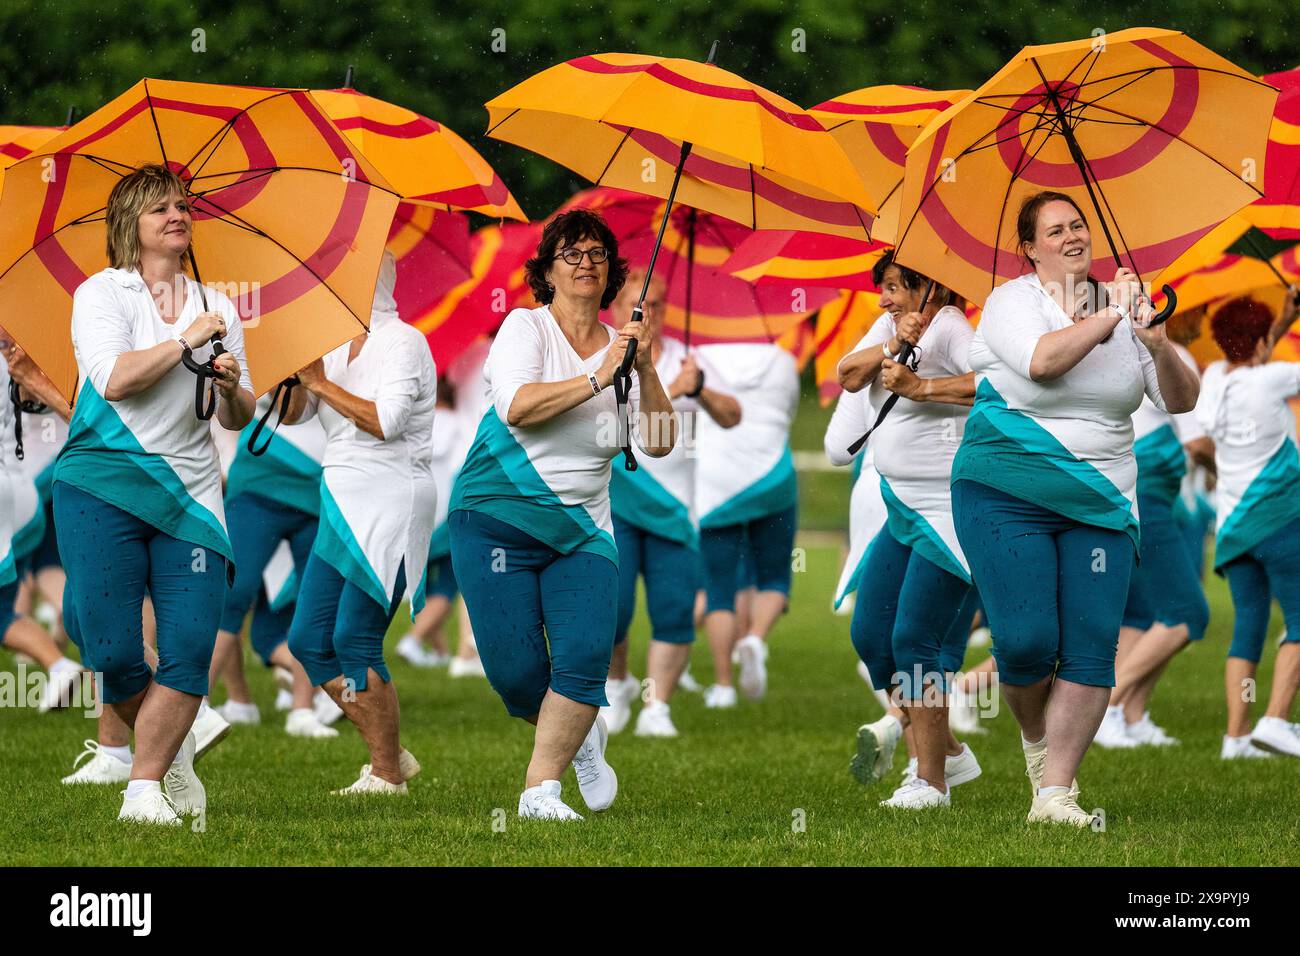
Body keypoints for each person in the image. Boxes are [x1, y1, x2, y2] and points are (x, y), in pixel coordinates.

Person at [950, 191, 1199, 828]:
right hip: (1006, 491)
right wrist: (1111, 313)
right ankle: (1038, 745)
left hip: (1102, 501)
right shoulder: (1013, 301)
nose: (1073, 236)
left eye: (1079, 224)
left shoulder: (1125, 309)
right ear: (1030, 248)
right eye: (1055, 230)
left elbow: (1181, 401)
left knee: (1091, 646)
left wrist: (1158, 342)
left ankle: (1057, 792)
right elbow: (1042, 363)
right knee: (1026, 643)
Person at [448, 209, 676, 821]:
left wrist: (644, 366)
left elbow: (657, 441)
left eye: (597, 253)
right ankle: (581, 738)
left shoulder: (626, 352)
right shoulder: (526, 328)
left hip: (583, 528)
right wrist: (599, 376)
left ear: (611, 272)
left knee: (582, 656)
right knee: (519, 675)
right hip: (495, 517)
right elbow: (519, 406)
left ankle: (538, 793)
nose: (586, 263)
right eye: (571, 254)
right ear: (547, 270)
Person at [54, 164, 255, 824]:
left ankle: (143, 789)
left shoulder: (218, 306)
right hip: (101, 484)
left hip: (192, 497)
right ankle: (177, 741)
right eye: (160, 208)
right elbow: (114, 379)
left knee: (190, 647)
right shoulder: (102, 294)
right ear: (130, 226)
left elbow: (237, 417)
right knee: (111, 650)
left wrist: (229, 388)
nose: (178, 215)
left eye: (183, 206)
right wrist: (183, 340)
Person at [284, 251, 438, 794]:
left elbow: (387, 422)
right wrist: (296, 375)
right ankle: (388, 751)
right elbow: (293, 415)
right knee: (308, 640)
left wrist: (321, 384)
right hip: (341, 499)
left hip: (394, 498)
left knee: (354, 638)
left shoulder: (404, 341)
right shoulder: (329, 342)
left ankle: (386, 771)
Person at [834, 251, 982, 809]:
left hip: (947, 511)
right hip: (901, 506)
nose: (885, 298)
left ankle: (930, 781)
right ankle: (948, 752)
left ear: (930, 287)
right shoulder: (890, 327)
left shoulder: (950, 328)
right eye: (885, 287)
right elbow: (848, 376)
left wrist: (921, 387)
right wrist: (893, 343)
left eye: (896, 287)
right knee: (871, 636)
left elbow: (992, 383)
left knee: (914, 639)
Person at [600, 269, 740, 738]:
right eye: (636, 305)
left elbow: (732, 416)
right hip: (616, 500)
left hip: (676, 507)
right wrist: (672, 391)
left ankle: (656, 705)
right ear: (615, 309)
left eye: (656, 304)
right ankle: (616, 687)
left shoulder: (686, 360)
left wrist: (697, 388)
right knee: (614, 608)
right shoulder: (602, 357)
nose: (647, 313)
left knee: (676, 606)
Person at [1195, 293, 1300, 758]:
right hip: (1280, 520)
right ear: (1260, 343)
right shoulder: (1275, 379)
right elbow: (1266, 362)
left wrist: (1282, 320)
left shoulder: (1215, 379)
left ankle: (1235, 738)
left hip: (1233, 528)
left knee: (1249, 627)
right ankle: (1276, 720)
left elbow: (1253, 354)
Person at [1095, 338, 1213, 748]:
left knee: (1140, 615)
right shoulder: (1170, 351)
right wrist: (1222, 470)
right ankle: (1107, 708)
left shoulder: (1112, 346)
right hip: (1148, 497)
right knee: (1187, 613)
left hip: (1131, 490)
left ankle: (1132, 715)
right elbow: (1196, 441)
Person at [206, 388, 337, 738]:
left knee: (309, 602)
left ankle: (303, 710)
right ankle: (195, 708)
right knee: (230, 595)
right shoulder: (258, 340)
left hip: (316, 486)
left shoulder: (336, 344)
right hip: (257, 485)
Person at [693, 340, 800, 707]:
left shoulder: (699, 358)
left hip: (716, 485)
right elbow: (788, 413)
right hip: (774, 479)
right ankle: (755, 637)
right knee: (773, 576)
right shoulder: (784, 361)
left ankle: (723, 685)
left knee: (718, 589)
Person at [396, 378, 472, 670]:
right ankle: (413, 640)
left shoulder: (415, 423)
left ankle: (438, 650)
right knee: (448, 583)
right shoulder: (455, 423)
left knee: (425, 583)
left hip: (415, 511)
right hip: (444, 513)